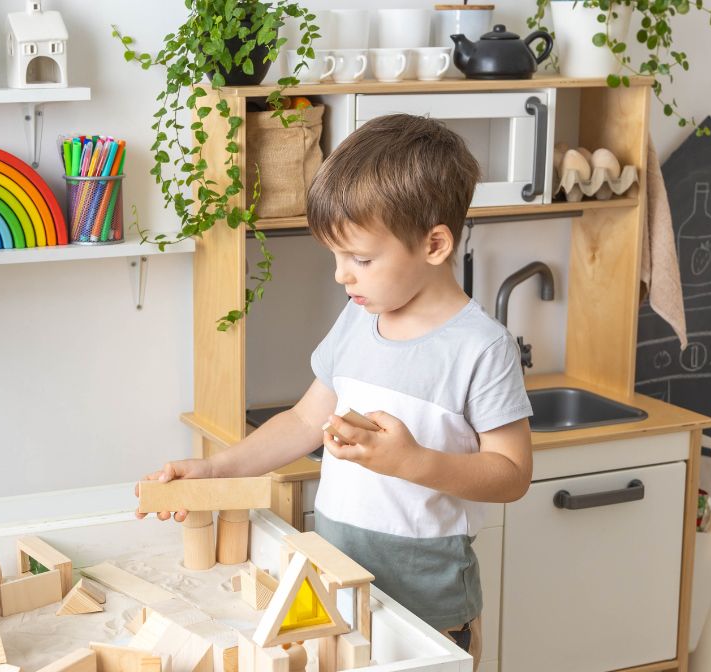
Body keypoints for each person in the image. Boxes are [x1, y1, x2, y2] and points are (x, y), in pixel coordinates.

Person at [138, 113, 533, 664]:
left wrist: (410, 460)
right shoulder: (356, 320)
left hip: (431, 612)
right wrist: (216, 470)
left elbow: (512, 475)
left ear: (435, 244)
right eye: (336, 257)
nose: (341, 276)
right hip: (338, 591)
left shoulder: (481, 348)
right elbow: (303, 422)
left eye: (361, 259)